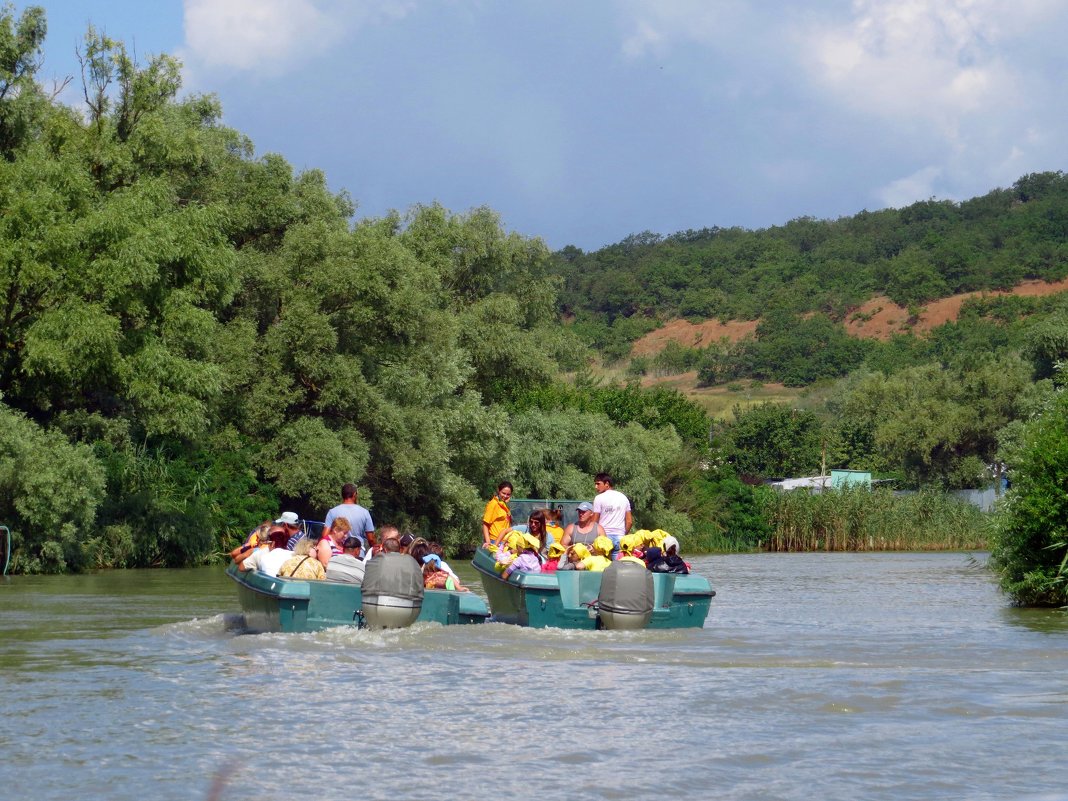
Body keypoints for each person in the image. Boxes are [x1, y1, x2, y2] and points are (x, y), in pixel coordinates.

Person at [324, 483, 375, 548]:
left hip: (338, 551)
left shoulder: (332, 512)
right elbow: (371, 539)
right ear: (354, 494)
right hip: (358, 552)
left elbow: (325, 535)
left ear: (342, 495)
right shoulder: (365, 512)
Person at [592, 473, 632, 552]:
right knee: (618, 564)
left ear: (607, 483)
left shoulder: (598, 498)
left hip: (604, 539)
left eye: (598, 484)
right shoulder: (623, 497)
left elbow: (594, 522)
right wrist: (623, 534)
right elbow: (629, 522)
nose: (596, 487)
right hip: (620, 538)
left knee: (603, 564)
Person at [482, 481, 513, 547]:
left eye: (508, 494)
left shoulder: (504, 505)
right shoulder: (493, 504)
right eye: (503, 493)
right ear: (498, 491)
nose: (505, 496)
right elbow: (485, 524)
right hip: (494, 541)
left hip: (504, 541)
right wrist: (488, 542)